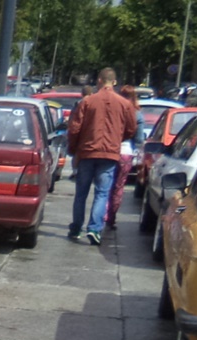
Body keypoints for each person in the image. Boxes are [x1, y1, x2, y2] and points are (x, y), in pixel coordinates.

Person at [67, 68, 137, 245]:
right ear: (114, 82)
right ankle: (94, 229)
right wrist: (117, 138)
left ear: (99, 80)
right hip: (110, 154)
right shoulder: (124, 104)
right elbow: (131, 129)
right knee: (102, 192)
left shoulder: (88, 102)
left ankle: (76, 228)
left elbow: (75, 128)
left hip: (87, 152)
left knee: (81, 193)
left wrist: (73, 149)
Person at [106, 84, 145, 229]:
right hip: (126, 153)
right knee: (119, 186)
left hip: (108, 150)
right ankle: (111, 217)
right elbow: (139, 140)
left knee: (105, 185)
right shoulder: (137, 114)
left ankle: (100, 216)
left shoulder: (113, 109)